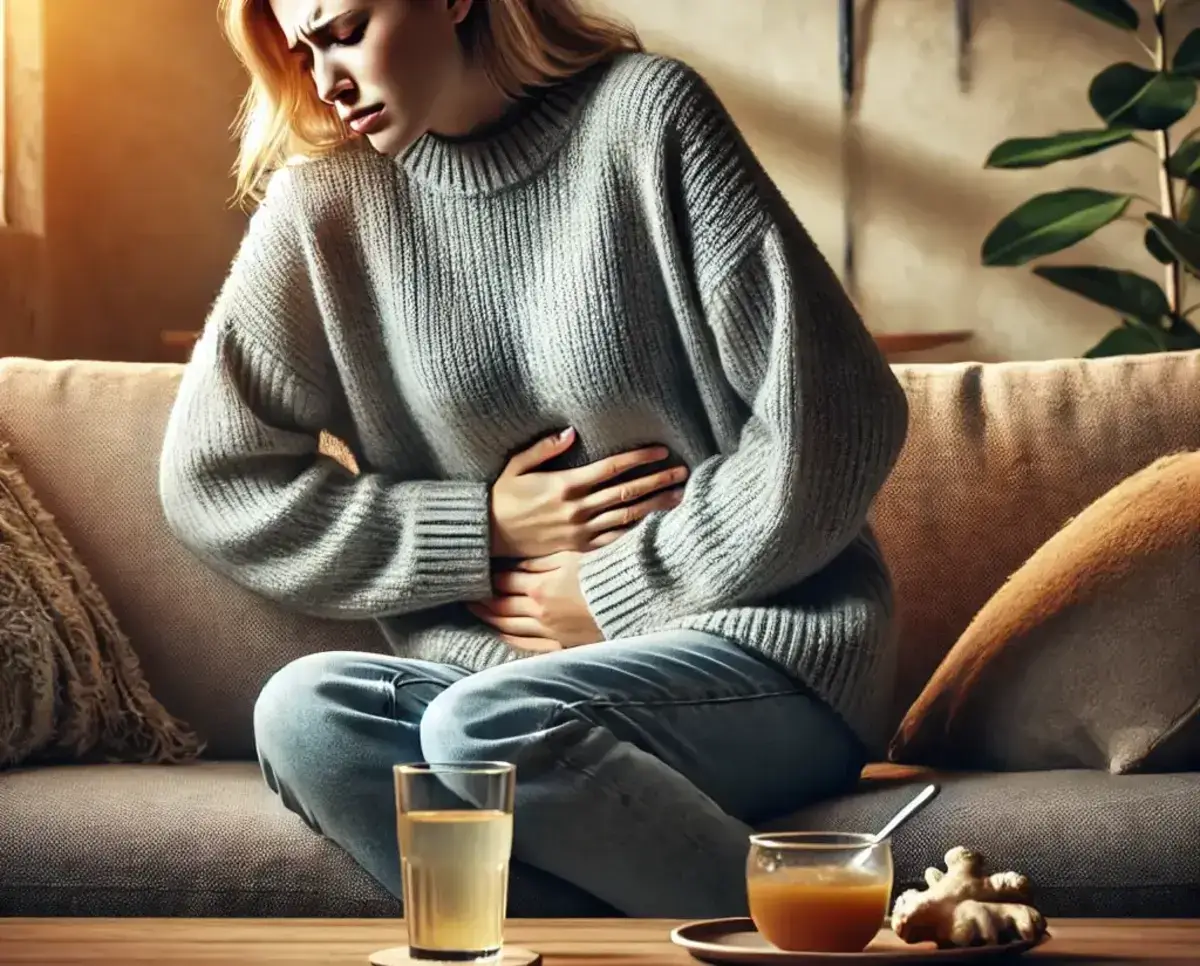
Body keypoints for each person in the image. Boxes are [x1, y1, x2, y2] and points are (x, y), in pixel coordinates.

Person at [159, 0, 910, 918]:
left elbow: (840, 418)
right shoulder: (325, 205)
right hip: (490, 683)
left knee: (482, 730)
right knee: (303, 716)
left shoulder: (645, 118)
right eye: (303, 48)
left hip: (762, 652)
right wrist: (478, 525)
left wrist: (620, 592)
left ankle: (815, 930)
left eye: (347, 30)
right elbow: (212, 479)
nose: (326, 82)